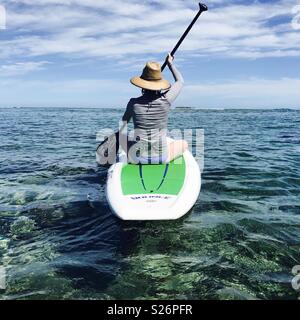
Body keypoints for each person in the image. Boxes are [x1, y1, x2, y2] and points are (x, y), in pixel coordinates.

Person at [121, 54, 188, 164]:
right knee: (184, 143)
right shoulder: (166, 100)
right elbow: (180, 81)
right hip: (161, 158)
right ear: (159, 83)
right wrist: (170, 64)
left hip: (137, 158)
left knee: (122, 138)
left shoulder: (133, 103)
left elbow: (124, 123)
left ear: (142, 84)